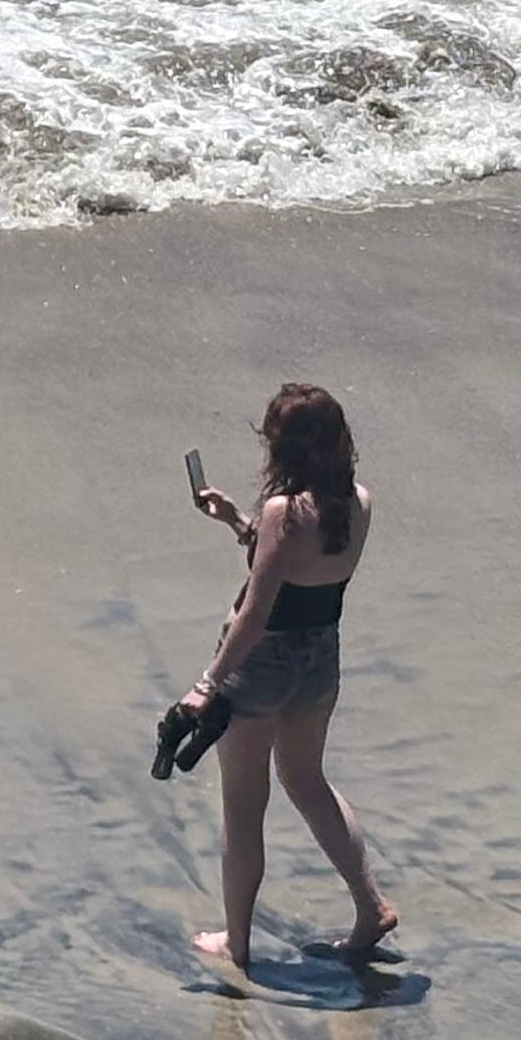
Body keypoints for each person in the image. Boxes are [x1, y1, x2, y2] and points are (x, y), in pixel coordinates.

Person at [175, 380, 396, 975]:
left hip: (262, 667)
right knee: (307, 779)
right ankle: (369, 906)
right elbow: (301, 565)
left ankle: (237, 944)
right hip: (320, 661)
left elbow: (258, 609)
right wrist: (237, 523)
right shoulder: (357, 502)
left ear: (282, 447)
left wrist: (207, 683)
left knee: (243, 807)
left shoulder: (284, 513)